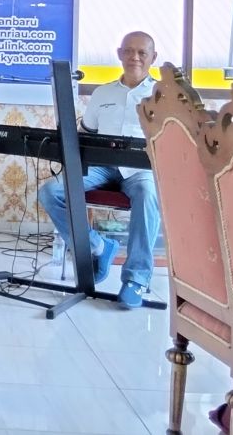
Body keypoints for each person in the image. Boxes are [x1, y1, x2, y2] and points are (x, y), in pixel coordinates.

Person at [37, 30, 162, 309]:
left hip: (140, 171)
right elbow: (86, 133)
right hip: (102, 167)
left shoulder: (161, 96)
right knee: (50, 192)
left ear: (153, 57)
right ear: (119, 54)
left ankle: (136, 279)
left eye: (142, 52)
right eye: (129, 51)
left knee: (148, 195)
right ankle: (98, 246)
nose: (135, 57)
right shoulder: (102, 93)